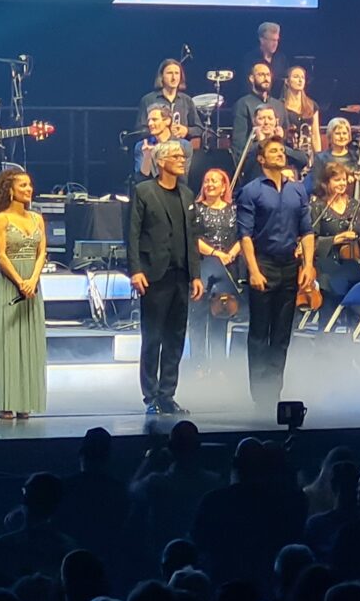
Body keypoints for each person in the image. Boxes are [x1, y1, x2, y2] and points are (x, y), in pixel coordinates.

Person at [237, 136, 316, 412]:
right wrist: (254, 270)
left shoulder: (297, 190)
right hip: (263, 263)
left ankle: (274, 392)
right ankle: (260, 395)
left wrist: (308, 265)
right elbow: (245, 236)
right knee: (260, 333)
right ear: (261, 158)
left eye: (282, 151)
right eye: (273, 151)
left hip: (289, 266)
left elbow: (307, 231)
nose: (280, 154)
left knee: (282, 334)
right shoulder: (251, 191)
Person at [127, 141, 203, 416]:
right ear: (161, 162)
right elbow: (133, 234)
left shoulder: (186, 193)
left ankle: (168, 394)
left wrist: (195, 274)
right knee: (153, 337)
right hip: (153, 275)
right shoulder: (144, 191)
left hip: (181, 275)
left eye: (183, 156)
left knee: (175, 338)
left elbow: (192, 237)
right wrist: (135, 269)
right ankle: (151, 396)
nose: (182, 160)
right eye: (176, 156)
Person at [0, 168, 49, 419]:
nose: (28, 189)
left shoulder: (37, 218)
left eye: (30, 185)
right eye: (22, 185)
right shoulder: (1, 219)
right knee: (7, 342)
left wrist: (32, 280)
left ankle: (26, 400)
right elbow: (0, 255)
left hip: (32, 283)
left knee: (31, 342)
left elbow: (42, 251)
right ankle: (6, 402)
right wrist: (20, 281)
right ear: (10, 190)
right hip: (9, 282)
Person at [190, 167, 240, 363]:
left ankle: (219, 364)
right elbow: (193, 238)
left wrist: (231, 254)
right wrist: (216, 253)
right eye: (207, 180)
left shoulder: (233, 210)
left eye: (214, 181)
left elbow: (242, 236)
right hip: (203, 266)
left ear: (223, 187)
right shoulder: (196, 209)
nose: (209, 184)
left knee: (221, 316)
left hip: (227, 267)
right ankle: (199, 364)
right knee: (198, 318)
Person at [309, 161, 360, 315]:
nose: (342, 183)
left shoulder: (354, 205)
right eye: (336, 180)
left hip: (351, 263)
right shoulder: (318, 207)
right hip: (327, 265)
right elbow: (310, 241)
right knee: (330, 294)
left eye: (343, 179)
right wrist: (337, 239)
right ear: (326, 183)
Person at [136, 59, 200, 145]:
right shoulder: (148, 100)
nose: (174, 78)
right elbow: (140, 130)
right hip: (155, 149)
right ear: (161, 76)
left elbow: (199, 129)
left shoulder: (187, 100)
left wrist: (186, 130)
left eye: (177, 73)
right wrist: (161, 130)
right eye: (169, 73)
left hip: (179, 151)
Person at [230, 63, 276, 165]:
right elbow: (239, 146)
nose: (266, 78)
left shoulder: (279, 105)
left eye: (268, 75)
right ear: (251, 78)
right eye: (261, 75)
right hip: (254, 163)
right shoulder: (243, 104)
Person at [278, 65, 321, 155]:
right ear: (287, 81)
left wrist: (318, 157)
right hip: (288, 152)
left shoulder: (312, 105)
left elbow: (315, 135)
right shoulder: (280, 106)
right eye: (296, 77)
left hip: (307, 153)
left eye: (302, 77)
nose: (300, 80)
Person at [132, 106, 181, 181]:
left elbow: (182, 178)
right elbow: (140, 181)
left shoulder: (182, 145)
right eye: (149, 120)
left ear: (167, 121)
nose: (150, 123)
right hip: (149, 190)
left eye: (154, 119)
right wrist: (147, 157)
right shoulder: (142, 145)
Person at [239, 20, 288, 86]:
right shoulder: (250, 59)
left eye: (277, 40)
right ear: (262, 40)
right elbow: (246, 85)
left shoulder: (281, 59)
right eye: (272, 40)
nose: (275, 44)